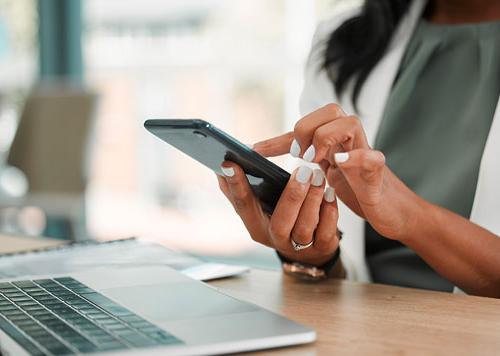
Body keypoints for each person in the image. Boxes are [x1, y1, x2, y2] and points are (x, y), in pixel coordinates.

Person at [217, 0, 500, 298]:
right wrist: (314, 256)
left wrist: (409, 217)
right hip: (369, 327)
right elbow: (347, 280)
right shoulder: (344, 38)